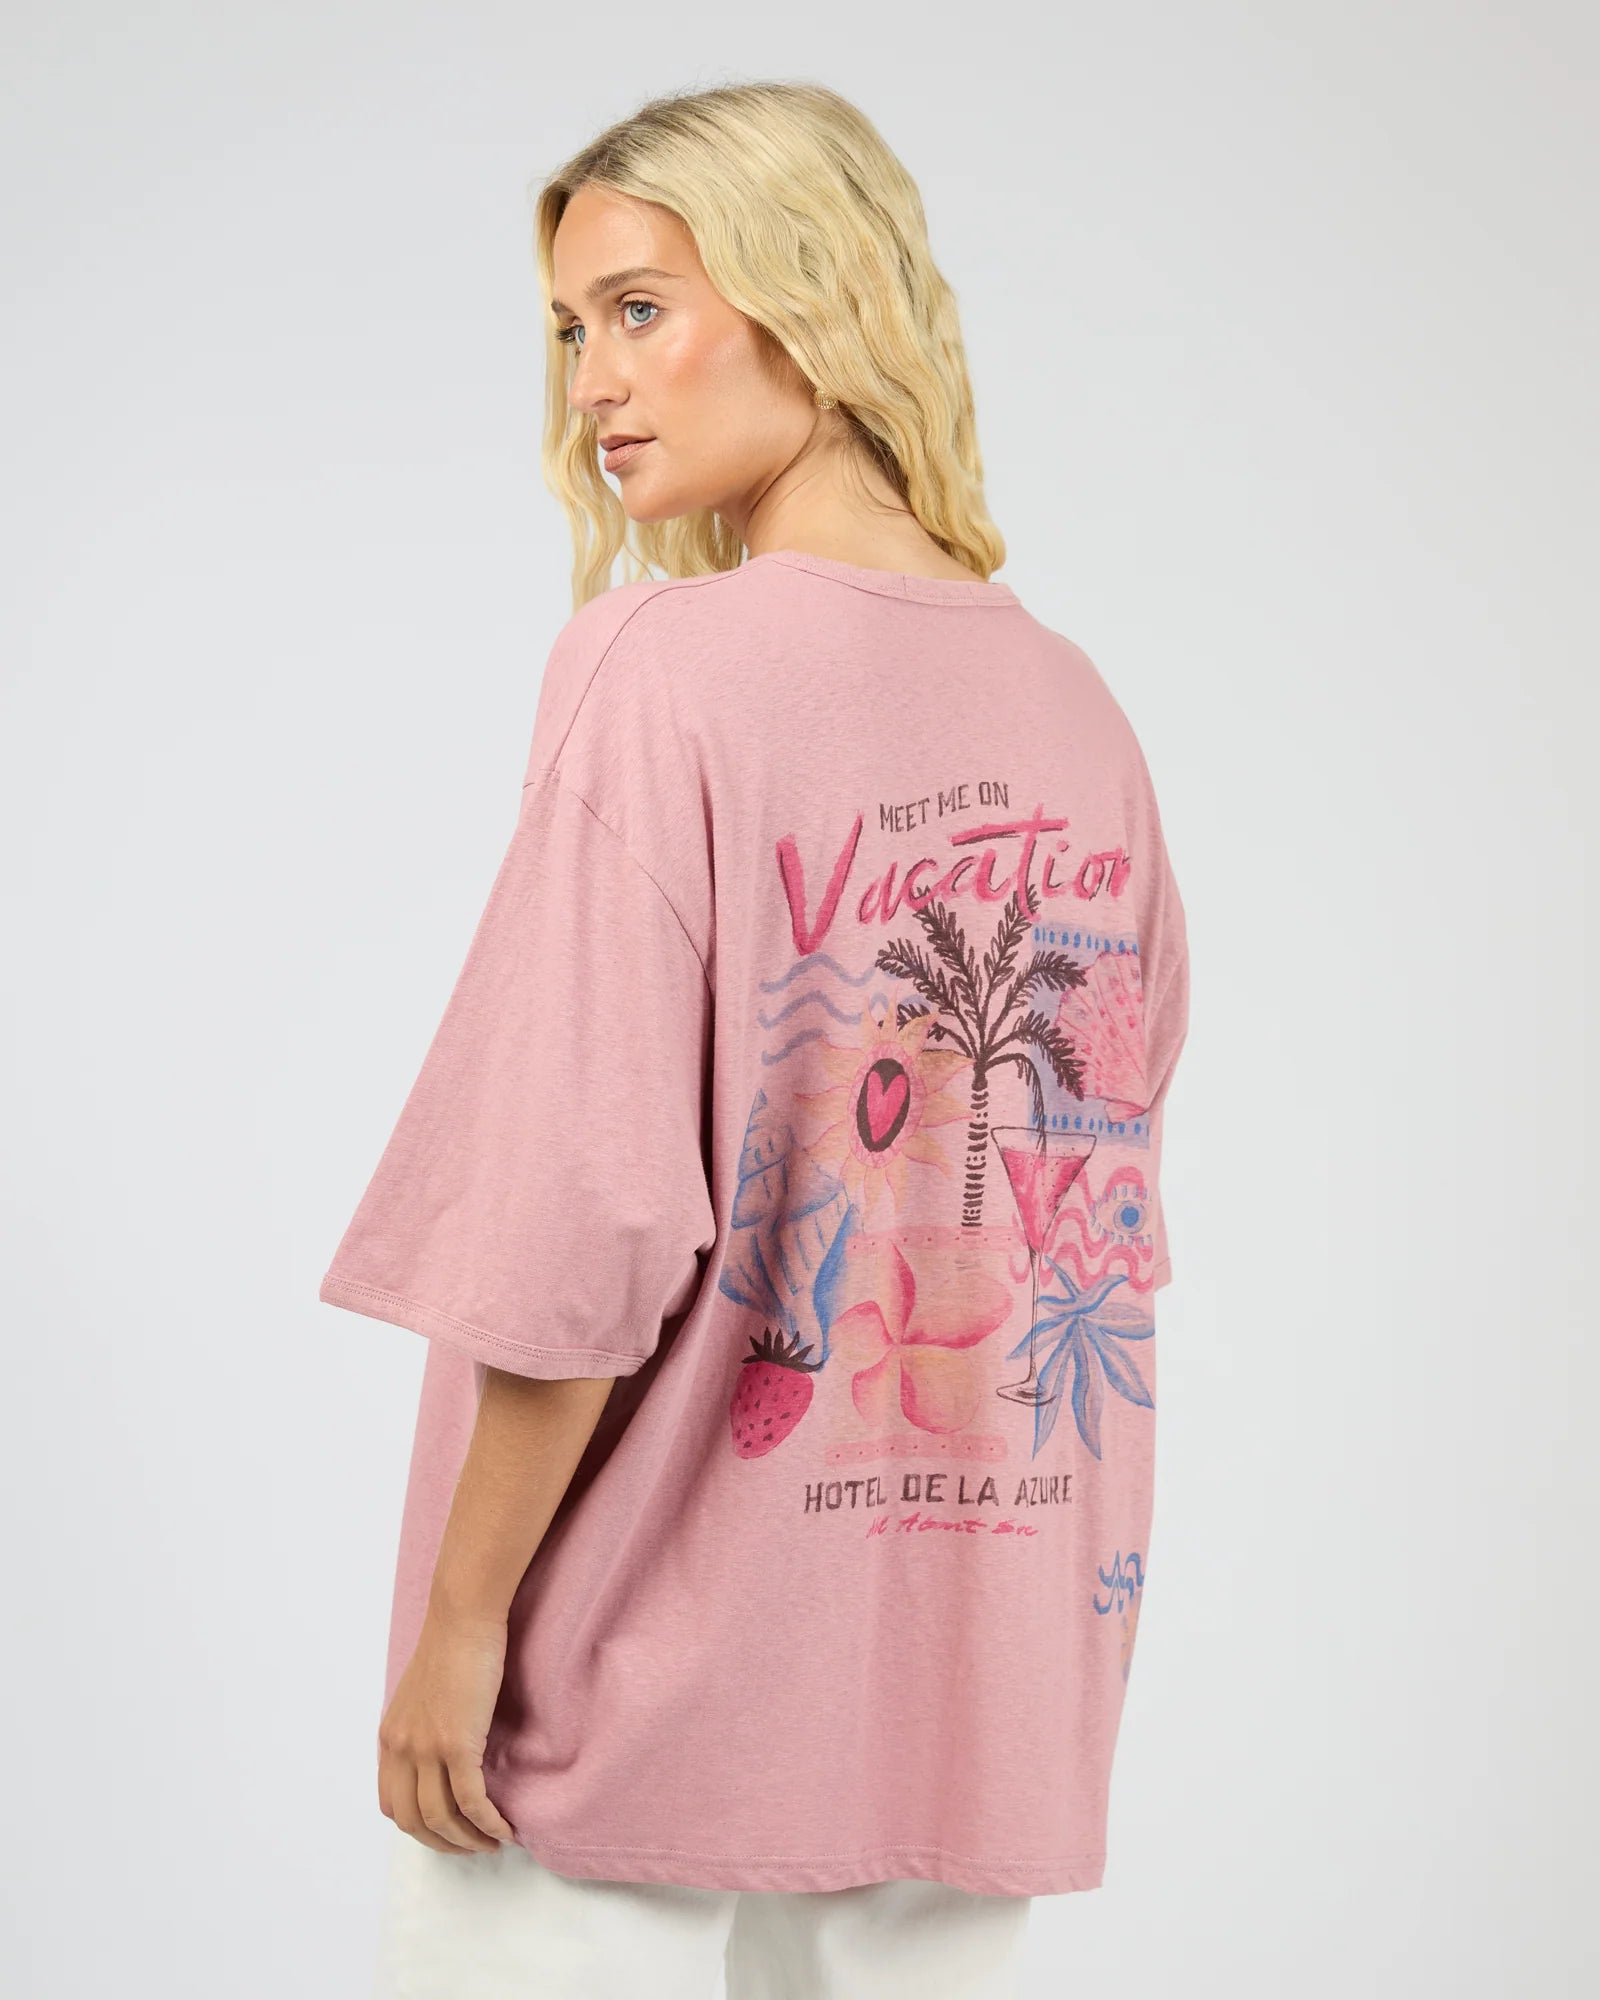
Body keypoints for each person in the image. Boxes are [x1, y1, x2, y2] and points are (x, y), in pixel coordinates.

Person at [318, 79, 1191, 2000]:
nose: (593, 385)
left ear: (814, 292)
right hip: (982, 1666)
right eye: (571, 330)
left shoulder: (662, 669)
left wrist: (462, 1630)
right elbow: (1099, 1146)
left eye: (641, 308)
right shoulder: (1076, 710)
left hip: (634, 1665)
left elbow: (578, 1214)